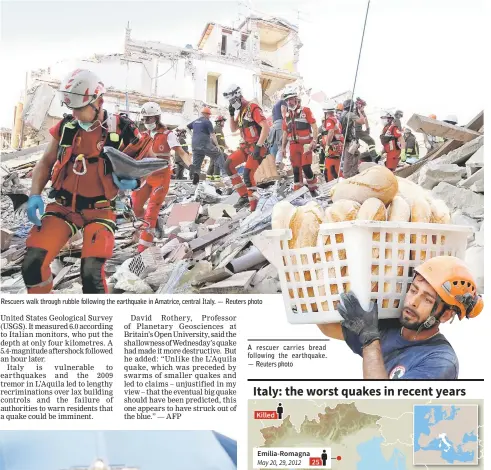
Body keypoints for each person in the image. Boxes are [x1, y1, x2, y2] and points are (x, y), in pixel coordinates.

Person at [22, 69, 151, 294]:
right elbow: (45, 163)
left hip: (99, 211)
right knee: (33, 264)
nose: (74, 113)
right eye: (71, 108)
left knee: (91, 274)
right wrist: (34, 195)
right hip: (62, 207)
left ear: (98, 101)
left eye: (79, 108)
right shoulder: (65, 128)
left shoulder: (123, 129)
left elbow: (148, 162)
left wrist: (136, 182)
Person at [317, 256, 483, 379]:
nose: (413, 302)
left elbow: (384, 405)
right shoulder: (392, 328)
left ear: (446, 315)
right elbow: (328, 327)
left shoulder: (439, 361)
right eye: (413, 290)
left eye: (427, 299)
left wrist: (369, 341)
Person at [132, 102, 190, 253]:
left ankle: (142, 250)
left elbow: (181, 152)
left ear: (157, 118)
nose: (146, 122)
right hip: (145, 176)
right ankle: (155, 224)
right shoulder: (143, 135)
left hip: (161, 176)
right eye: (144, 119)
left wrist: (193, 168)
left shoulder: (168, 135)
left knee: (151, 212)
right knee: (136, 206)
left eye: (149, 119)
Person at [222, 84, 270, 211]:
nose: (232, 103)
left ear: (239, 97)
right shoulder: (242, 112)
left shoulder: (252, 108)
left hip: (257, 147)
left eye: (233, 101)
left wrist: (259, 146)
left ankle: (254, 207)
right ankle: (244, 196)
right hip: (246, 147)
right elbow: (233, 129)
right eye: (230, 102)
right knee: (228, 165)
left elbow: (265, 127)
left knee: (248, 175)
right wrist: (231, 114)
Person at [280, 89, 318, 192]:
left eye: (291, 99)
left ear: (296, 99)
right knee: (296, 170)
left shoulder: (306, 111)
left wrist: (314, 141)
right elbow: (285, 133)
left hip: (305, 145)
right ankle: (298, 191)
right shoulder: (286, 117)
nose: (289, 102)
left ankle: (313, 188)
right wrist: (283, 148)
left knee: (306, 167)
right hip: (293, 146)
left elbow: (314, 127)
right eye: (287, 100)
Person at [187, 107, 225, 185]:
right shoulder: (207, 122)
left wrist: (192, 135)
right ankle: (226, 175)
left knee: (196, 165)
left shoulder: (195, 121)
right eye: (209, 115)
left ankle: (195, 182)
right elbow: (212, 134)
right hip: (204, 144)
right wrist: (217, 146)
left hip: (195, 145)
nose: (209, 116)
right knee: (219, 154)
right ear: (206, 114)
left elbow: (187, 127)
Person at [319, 102, 344, 182]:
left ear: (326, 112)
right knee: (336, 168)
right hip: (338, 146)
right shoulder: (336, 120)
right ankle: (340, 184)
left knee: (329, 170)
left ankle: (331, 187)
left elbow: (330, 132)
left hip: (332, 147)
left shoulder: (329, 120)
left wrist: (326, 146)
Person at [340, 99, 365, 178]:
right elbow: (362, 121)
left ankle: (353, 172)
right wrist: (360, 112)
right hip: (348, 139)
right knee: (349, 156)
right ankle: (347, 174)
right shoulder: (350, 114)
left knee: (356, 153)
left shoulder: (342, 114)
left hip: (344, 138)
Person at [355, 97, 378, 161]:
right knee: (371, 141)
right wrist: (360, 112)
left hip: (358, 130)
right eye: (363, 106)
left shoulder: (361, 111)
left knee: (355, 146)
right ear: (359, 105)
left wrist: (368, 128)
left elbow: (366, 119)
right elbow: (363, 121)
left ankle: (356, 161)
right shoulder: (355, 112)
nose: (363, 108)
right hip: (356, 130)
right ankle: (374, 157)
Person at [207, 115, 229, 182]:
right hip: (217, 149)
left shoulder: (217, 128)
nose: (224, 123)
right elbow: (215, 139)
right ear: (219, 122)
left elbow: (220, 139)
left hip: (217, 148)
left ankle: (209, 176)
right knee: (218, 162)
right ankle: (216, 177)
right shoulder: (218, 128)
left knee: (213, 162)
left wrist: (226, 146)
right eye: (223, 121)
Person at [268, 96, 288, 166]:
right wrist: (287, 121)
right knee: (281, 145)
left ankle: (271, 164)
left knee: (274, 145)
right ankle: (278, 163)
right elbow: (283, 112)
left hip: (274, 126)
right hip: (281, 124)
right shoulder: (283, 102)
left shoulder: (274, 106)